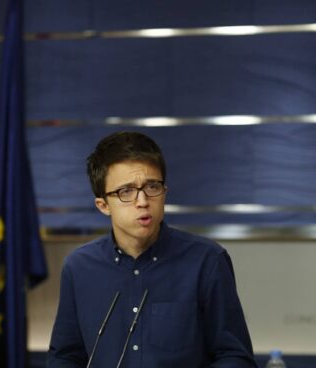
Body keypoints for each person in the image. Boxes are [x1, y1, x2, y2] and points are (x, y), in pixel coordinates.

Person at [47, 131, 258, 368]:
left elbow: (236, 358)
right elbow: (64, 357)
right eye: (126, 191)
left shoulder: (207, 261)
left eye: (152, 186)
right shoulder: (79, 267)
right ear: (103, 205)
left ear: (164, 192)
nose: (143, 201)